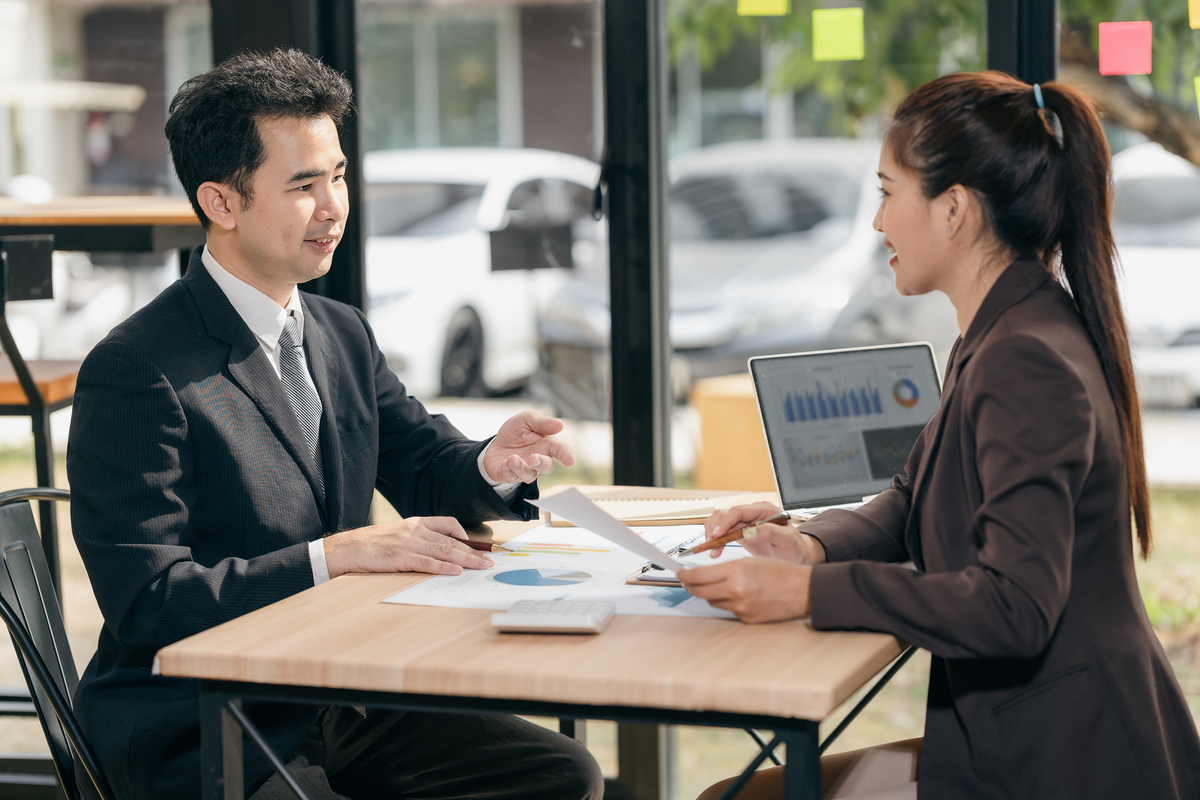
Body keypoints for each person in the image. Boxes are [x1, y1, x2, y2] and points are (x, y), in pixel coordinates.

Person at [67, 49, 603, 800]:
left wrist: (490, 463)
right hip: (200, 721)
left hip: (336, 694)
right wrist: (333, 558)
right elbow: (148, 601)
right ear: (222, 203)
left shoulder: (339, 331)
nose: (334, 206)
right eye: (303, 185)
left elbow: (420, 462)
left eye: (339, 175)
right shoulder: (140, 368)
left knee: (559, 774)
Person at [681, 72, 1200, 799]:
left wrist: (809, 592)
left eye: (888, 193)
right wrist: (808, 544)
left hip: (1066, 762)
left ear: (954, 209)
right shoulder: (1005, 327)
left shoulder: (1025, 359)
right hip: (1021, 736)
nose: (877, 223)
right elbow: (911, 494)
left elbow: (1013, 606)